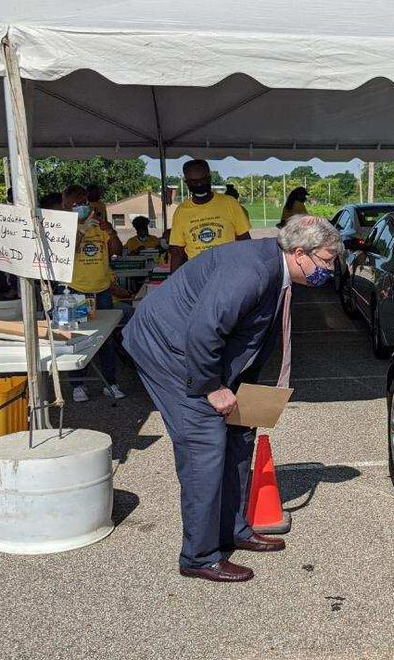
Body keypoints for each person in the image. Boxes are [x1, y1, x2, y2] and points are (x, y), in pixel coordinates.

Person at [122, 214, 342, 583]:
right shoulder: (251, 272)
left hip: (205, 352)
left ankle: (233, 530)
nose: (330, 269)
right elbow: (204, 330)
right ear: (300, 253)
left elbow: (251, 335)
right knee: (204, 445)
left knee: (240, 436)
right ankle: (200, 555)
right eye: (326, 260)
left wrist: (248, 392)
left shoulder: (277, 269)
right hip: (172, 352)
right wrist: (212, 387)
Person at [63, 184, 126, 402]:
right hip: (75, 292)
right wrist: (80, 230)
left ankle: (110, 382)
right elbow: (66, 252)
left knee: (106, 340)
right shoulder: (64, 228)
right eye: (75, 204)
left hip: (102, 291)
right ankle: (77, 384)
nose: (80, 207)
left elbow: (117, 252)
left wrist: (112, 232)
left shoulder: (99, 226)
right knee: (76, 340)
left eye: (83, 203)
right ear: (66, 206)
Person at [167, 159, 251, 272]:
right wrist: (174, 283)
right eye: (194, 181)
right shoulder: (181, 211)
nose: (199, 184)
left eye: (203, 180)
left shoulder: (230, 203)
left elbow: (245, 241)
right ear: (186, 183)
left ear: (210, 178)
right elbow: (177, 250)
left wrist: (248, 271)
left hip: (228, 272)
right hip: (197, 275)